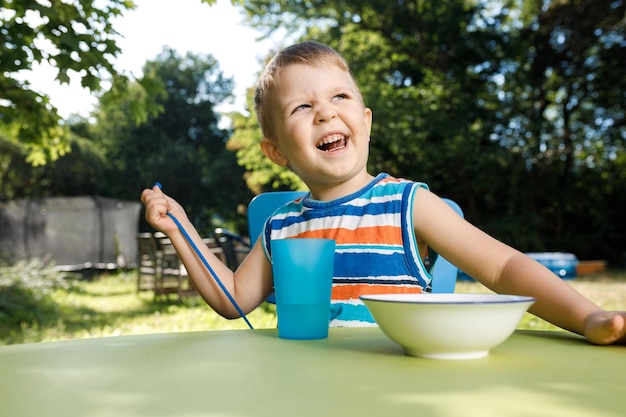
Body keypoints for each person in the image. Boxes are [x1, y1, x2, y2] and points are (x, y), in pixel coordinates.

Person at [141, 41, 625, 345]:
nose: (326, 113)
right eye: (303, 106)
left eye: (340, 97)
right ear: (276, 151)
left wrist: (588, 318)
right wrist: (180, 227)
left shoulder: (406, 203)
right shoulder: (281, 226)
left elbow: (502, 267)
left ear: (365, 122)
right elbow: (233, 300)